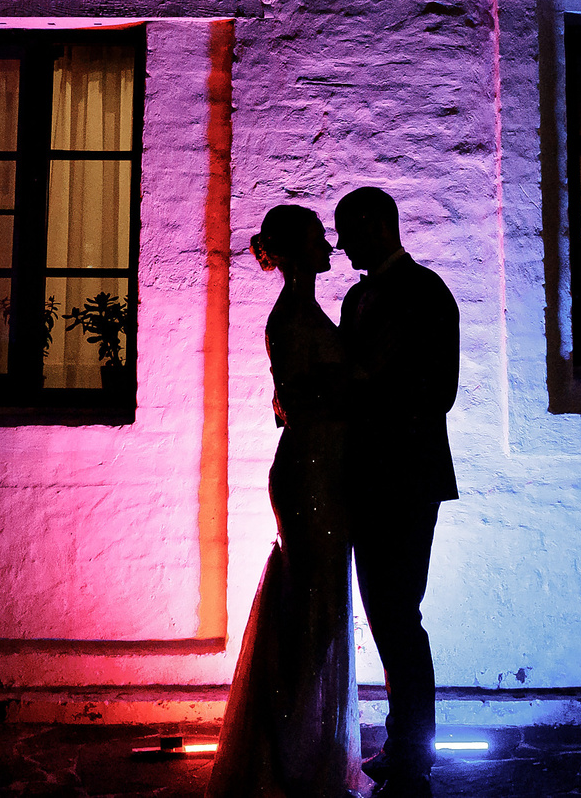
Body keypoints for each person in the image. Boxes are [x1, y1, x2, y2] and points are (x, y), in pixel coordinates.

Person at [210, 205, 365, 798]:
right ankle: (287, 753)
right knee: (311, 613)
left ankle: (302, 748)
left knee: (318, 609)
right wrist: (357, 388)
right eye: (319, 237)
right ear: (298, 251)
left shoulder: (304, 312)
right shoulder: (292, 317)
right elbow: (297, 405)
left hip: (324, 469)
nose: (329, 246)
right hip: (310, 472)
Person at [332, 186, 459, 798]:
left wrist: (367, 388)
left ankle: (413, 749)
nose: (342, 246)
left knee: (399, 615)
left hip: (407, 477)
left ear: (378, 225)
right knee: (385, 614)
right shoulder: (355, 298)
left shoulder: (427, 293)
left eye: (348, 232)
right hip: (365, 477)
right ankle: (405, 742)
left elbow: (440, 391)